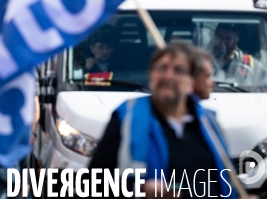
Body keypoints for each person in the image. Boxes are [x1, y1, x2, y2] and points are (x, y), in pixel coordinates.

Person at [90, 42, 235, 199]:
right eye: (162, 68)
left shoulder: (208, 122)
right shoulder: (126, 117)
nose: (168, 76)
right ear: (150, 75)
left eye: (178, 70)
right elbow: (92, 185)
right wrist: (138, 191)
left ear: (191, 82)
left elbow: (224, 183)